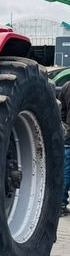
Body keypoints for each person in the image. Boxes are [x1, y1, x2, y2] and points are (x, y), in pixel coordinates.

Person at [60, 80, 70, 215]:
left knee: (65, 170)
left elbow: (62, 111)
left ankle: (60, 204)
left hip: (68, 134)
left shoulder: (66, 85)